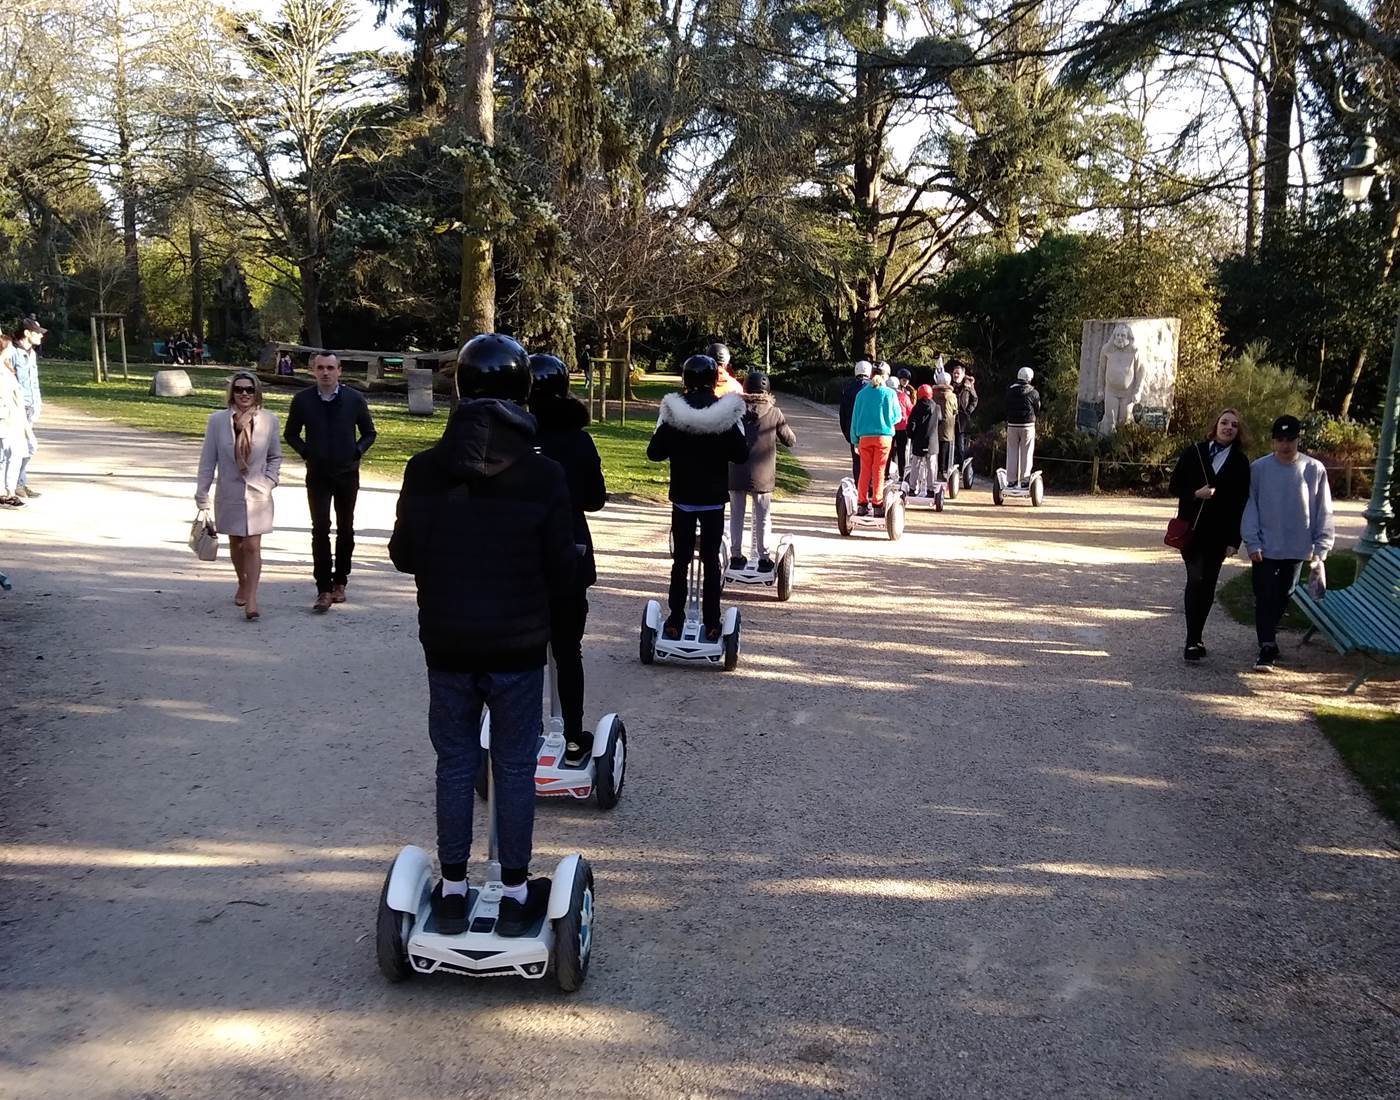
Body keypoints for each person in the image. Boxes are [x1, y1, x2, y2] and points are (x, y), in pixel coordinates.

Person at [389, 333, 576, 937]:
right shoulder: (543, 474)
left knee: (455, 761)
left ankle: (451, 888)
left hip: (447, 640)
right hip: (517, 644)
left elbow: (404, 555)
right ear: (523, 392)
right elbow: (562, 564)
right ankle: (516, 890)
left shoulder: (425, 468)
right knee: (515, 765)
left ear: (460, 387)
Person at [527, 352, 607, 766]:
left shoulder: (514, 435)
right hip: (568, 549)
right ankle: (573, 735)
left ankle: (522, 730)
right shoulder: (578, 439)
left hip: (521, 552)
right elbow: (595, 499)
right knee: (567, 649)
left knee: (522, 651)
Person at [647, 354, 748, 641]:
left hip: (683, 496)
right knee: (710, 560)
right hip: (713, 498)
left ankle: (675, 619)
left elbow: (654, 453)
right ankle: (712, 621)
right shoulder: (726, 413)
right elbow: (741, 455)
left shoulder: (673, 413)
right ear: (715, 379)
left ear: (685, 378)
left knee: (680, 561)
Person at [1240, 414, 1335, 672]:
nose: (1285, 444)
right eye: (1280, 439)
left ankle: (1269, 635)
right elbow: (1250, 506)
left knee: (1285, 593)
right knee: (1264, 594)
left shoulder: (1314, 469)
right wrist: (1252, 541)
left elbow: (1323, 510)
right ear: (1273, 440)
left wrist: (1322, 547)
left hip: (1297, 545)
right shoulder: (1259, 469)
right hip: (1265, 545)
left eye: (1290, 439)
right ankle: (1267, 645)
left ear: (1297, 440)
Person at [284, 351, 378, 612]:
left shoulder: (354, 399)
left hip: (347, 473)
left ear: (339, 370)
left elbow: (369, 433)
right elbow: (291, 434)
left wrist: (357, 451)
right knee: (320, 528)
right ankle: (323, 588)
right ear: (313, 371)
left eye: (330, 368)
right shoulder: (303, 400)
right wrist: (307, 452)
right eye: (320, 368)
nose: (325, 372)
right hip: (318, 474)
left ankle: (340, 582)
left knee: (345, 528)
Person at [195, 372, 283, 620]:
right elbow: (208, 460)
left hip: (258, 493)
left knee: (253, 545)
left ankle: (252, 598)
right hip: (229, 492)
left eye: (249, 389)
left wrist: (270, 481)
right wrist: (202, 493)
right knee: (237, 543)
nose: (244, 394)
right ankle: (242, 582)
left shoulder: (269, 420)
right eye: (239, 389)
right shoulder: (217, 421)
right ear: (232, 393)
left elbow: (275, 456)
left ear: (257, 393)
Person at [1167, 409, 1252, 662]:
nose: (1228, 428)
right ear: (1215, 426)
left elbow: (1240, 503)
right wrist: (1196, 493)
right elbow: (1174, 486)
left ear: (1238, 431)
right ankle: (1191, 640)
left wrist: (1234, 541)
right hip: (1192, 531)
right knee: (1196, 579)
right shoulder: (1194, 452)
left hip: (1219, 535)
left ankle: (1197, 637)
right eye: (1224, 423)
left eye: (1234, 425)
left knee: (1208, 585)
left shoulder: (1240, 461)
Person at [728, 370, 797, 571]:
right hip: (763, 474)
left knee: (736, 514)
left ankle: (735, 555)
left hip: (736, 470)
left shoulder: (734, 411)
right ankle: (764, 558)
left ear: (745, 388)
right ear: (767, 391)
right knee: (763, 516)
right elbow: (790, 440)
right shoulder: (774, 413)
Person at [849, 362, 900, 516]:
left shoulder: (861, 394)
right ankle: (877, 504)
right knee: (879, 470)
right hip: (883, 437)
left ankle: (862, 503)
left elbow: (855, 419)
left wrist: (855, 440)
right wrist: (886, 420)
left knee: (864, 470)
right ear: (886, 376)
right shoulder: (890, 394)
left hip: (864, 437)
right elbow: (897, 417)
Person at [10, 319, 44, 499]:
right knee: (27, 446)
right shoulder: (12, 352)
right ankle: (14, 484)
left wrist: (38, 403)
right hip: (17, 407)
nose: (41, 336)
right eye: (37, 333)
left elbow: (33, 382)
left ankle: (20, 482)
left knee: (24, 447)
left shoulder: (32, 354)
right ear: (27, 333)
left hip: (30, 406)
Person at [0, 334, 35, 507]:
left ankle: (9, 491)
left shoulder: (7, 368)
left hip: (14, 418)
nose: (12, 350)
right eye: (9, 347)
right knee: (9, 455)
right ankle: (7, 493)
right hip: (5, 418)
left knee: (16, 453)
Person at [1005, 366, 1040, 488]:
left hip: (1012, 424)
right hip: (1027, 425)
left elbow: (1006, 406)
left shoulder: (1010, 391)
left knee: (1012, 451)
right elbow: (1037, 408)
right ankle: (1025, 480)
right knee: (1027, 452)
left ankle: (1011, 480)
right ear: (1030, 378)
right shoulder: (1034, 393)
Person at [838, 361, 873, 480]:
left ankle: (859, 485)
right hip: (870, 430)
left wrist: (847, 433)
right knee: (870, 461)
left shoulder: (848, 389)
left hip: (853, 430)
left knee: (857, 461)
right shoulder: (873, 388)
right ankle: (870, 485)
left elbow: (843, 414)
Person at [904, 383, 938, 497]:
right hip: (932, 441)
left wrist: (911, 435)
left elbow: (911, 424)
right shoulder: (936, 407)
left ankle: (912, 488)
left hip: (919, 440)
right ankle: (930, 489)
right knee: (931, 465)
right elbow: (940, 420)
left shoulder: (916, 408)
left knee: (916, 465)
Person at [931, 369, 958, 481]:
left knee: (933, 451)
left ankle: (932, 472)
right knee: (944, 450)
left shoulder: (933, 394)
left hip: (933, 425)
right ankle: (942, 472)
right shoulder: (952, 396)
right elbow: (955, 410)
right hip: (947, 426)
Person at [888, 368, 914, 482]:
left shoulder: (887, 394)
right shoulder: (904, 396)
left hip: (890, 426)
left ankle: (887, 472)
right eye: (903, 380)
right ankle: (901, 473)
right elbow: (910, 410)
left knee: (890, 451)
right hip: (902, 426)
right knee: (901, 451)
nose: (906, 382)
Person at [950, 363, 978, 468]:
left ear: (963, 374)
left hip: (962, 419)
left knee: (960, 445)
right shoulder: (949, 385)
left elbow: (975, 399)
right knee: (948, 444)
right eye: (954, 373)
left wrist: (968, 411)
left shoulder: (968, 386)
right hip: (949, 418)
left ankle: (960, 466)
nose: (956, 375)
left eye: (958, 373)